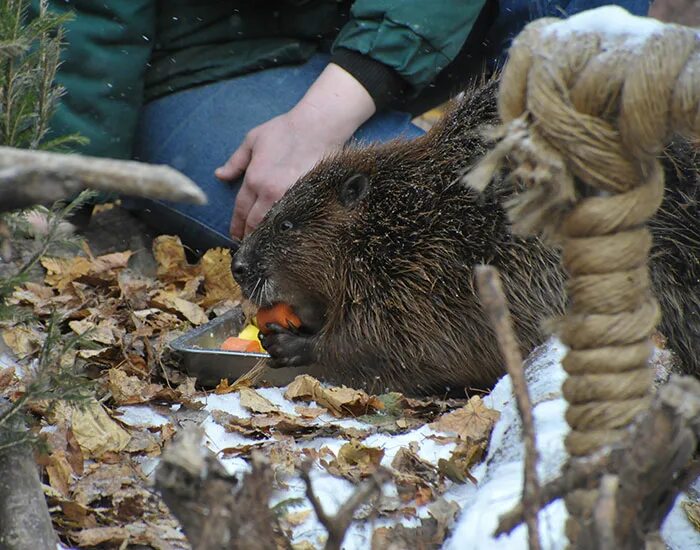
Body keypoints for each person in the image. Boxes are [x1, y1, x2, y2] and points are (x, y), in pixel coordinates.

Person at [38, 0, 654, 254]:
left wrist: (327, 112)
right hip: (207, 58)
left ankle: (606, 170)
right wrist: (62, 182)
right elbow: (91, 22)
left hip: (379, 23)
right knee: (424, 233)